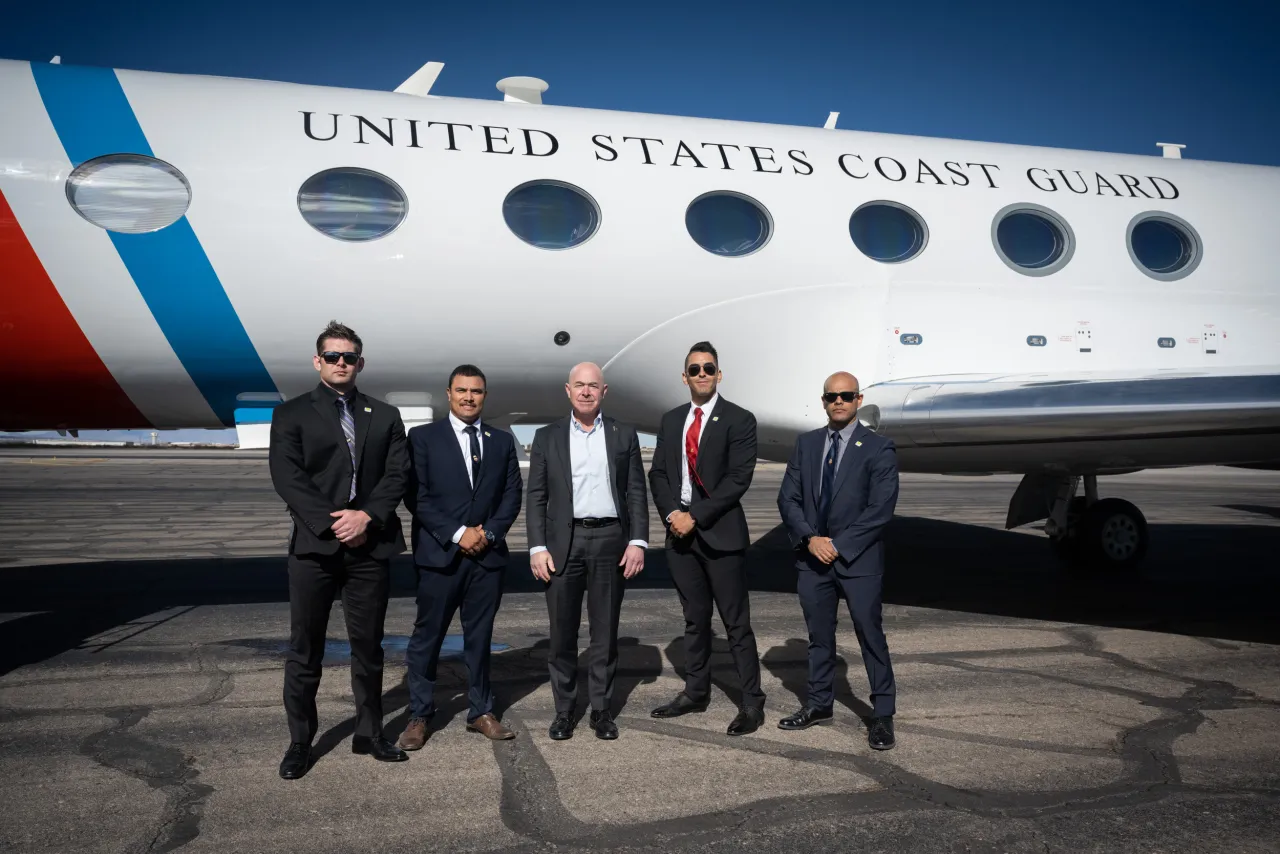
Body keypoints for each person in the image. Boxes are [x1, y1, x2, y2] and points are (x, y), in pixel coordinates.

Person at [268, 321, 410, 780]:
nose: (341, 363)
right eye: (333, 356)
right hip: (315, 548)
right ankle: (299, 742)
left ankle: (369, 733)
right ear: (318, 361)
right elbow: (288, 478)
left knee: (368, 648)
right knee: (304, 649)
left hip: (369, 547)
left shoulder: (384, 415)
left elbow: (397, 475)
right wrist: (336, 522)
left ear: (360, 362)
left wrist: (366, 516)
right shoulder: (291, 414)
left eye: (349, 356)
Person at [399, 365, 523, 750]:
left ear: (485, 396)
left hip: (486, 559)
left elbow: (511, 495)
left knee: (480, 638)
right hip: (441, 557)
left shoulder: (501, 441)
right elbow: (416, 497)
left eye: (477, 391)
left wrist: (487, 533)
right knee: (427, 638)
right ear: (448, 394)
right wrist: (457, 534)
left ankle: (481, 711)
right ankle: (419, 715)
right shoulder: (422, 438)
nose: (469, 397)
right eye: (462, 390)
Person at [775, 372, 899, 750]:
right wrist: (812, 540)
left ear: (859, 399)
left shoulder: (878, 447)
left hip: (857, 560)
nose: (839, 401)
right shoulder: (807, 444)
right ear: (824, 400)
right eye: (832, 396)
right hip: (813, 560)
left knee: (870, 635)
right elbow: (788, 499)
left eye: (846, 395)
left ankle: (882, 715)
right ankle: (818, 705)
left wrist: (839, 545)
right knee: (819, 639)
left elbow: (881, 509)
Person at [525, 363, 649, 741]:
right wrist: (536, 547)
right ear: (567, 390)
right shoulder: (547, 437)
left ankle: (601, 710)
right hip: (564, 542)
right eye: (579, 385)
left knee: (604, 633)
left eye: (593, 386)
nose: (585, 391)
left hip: (611, 540)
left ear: (604, 391)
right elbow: (536, 497)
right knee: (562, 633)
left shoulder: (622, 434)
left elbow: (636, 493)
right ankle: (564, 711)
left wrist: (638, 541)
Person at [648, 341, 765, 735]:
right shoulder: (670, 420)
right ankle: (696, 692)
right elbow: (658, 475)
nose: (702, 374)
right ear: (685, 377)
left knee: (736, 624)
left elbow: (737, 480)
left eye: (708, 368)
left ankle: (752, 703)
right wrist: (672, 515)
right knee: (694, 622)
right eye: (694, 369)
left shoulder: (740, 419)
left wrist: (693, 516)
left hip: (720, 535)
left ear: (719, 374)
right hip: (679, 537)